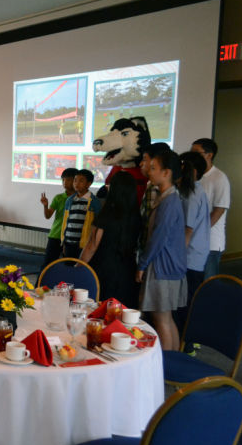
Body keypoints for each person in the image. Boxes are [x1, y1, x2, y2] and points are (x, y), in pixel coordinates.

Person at [136, 150, 187, 351]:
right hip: (167, 266)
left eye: (154, 168)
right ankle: (173, 363)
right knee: (165, 318)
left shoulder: (170, 200)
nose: (149, 171)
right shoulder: (167, 197)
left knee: (161, 319)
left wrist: (142, 264)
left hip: (163, 267)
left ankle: (166, 369)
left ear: (167, 173)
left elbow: (158, 238)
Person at [79, 171, 141, 308]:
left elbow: (92, 245)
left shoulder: (106, 214)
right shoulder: (137, 216)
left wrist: (79, 266)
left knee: (99, 310)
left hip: (104, 269)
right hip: (127, 271)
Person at [175, 151, 210, 345]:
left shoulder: (192, 194)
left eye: (182, 166)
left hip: (189, 258)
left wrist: (177, 260)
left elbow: (187, 231)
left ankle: (185, 345)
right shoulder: (194, 190)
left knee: (184, 305)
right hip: (192, 256)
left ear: (193, 171)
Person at [191, 138, 230, 279]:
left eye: (196, 152)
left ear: (209, 155)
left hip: (211, 243)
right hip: (194, 242)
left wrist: (199, 232)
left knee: (207, 283)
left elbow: (219, 209)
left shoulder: (219, 178)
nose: (192, 156)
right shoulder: (195, 176)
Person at [40, 168, 77, 270]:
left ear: (75, 181)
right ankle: (40, 285)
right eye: (63, 180)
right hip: (55, 235)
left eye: (68, 180)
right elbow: (48, 216)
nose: (65, 182)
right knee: (48, 264)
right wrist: (45, 206)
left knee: (69, 265)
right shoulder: (58, 197)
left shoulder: (79, 199)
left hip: (71, 237)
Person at [138, 142, 171, 255]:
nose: (141, 164)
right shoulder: (150, 185)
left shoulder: (163, 190)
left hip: (154, 252)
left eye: (145, 159)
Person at [60, 169, 101, 259]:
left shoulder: (94, 202)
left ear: (89, 184)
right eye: (75, 180)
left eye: (81, 181)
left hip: (84, 245)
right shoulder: (70, 200)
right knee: (68, 267)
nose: (76, 183)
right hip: (69, 242)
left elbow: (98, 224)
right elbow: (65, 222)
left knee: (80, 269)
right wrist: (64, 242)